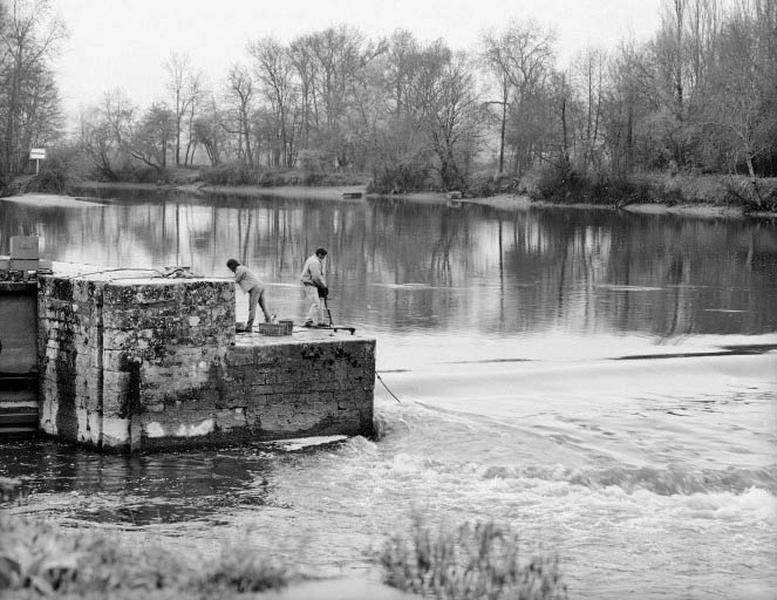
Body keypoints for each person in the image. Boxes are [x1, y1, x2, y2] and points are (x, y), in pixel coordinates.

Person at [226, 258, 274, 331]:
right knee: (264, 307)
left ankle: (249, 326)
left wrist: (226, 282)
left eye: (230, 268)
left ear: (232, 266)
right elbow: (236, 278)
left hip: (255, 288)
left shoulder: (239, 269)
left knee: (252, 308)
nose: (230, 270)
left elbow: (236, 280)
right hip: (260, 286)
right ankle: (269, 322)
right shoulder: (242, 268)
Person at [300, 247, 328, 327]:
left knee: (320, 303)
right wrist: (324, 286)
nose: (324, 258)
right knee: (316, 304)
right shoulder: (315, 262)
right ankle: (308, 321)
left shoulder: (312, 259)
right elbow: (316, 277)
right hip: (310, 284)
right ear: (319, 254)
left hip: (314, 284)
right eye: (323, 256)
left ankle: (321, 322)